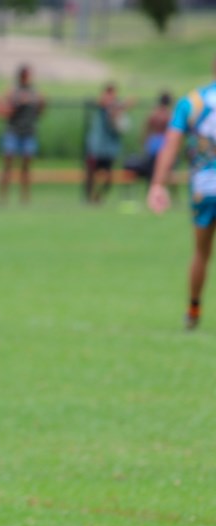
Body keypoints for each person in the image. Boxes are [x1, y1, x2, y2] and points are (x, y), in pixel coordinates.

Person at [147, 56, 216, 330]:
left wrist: (157, 184)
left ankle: (193, 310)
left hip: (203, 187)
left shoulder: (192, 102)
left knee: (201, 253)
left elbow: (171, 144)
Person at [0, 64, 45, 205]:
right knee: (8, 165)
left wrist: (42, 104)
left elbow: (38, 112)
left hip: (28, 133)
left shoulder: (35, 93)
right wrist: (18, 103)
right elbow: (5, 112)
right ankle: (3, 197)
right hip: (13, 132)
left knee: (26, 167)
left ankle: (25, 198)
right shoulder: (13, 91)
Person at [84, 82, 135, 204]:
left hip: (109, 148)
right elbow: (104, 103)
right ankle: (89, 198)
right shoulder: (105, 104)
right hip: (96, 146)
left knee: (109, 176)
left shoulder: (116, 106)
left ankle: (98, 196)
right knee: (91, 173)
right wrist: (123, 105)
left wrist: (122, 106)